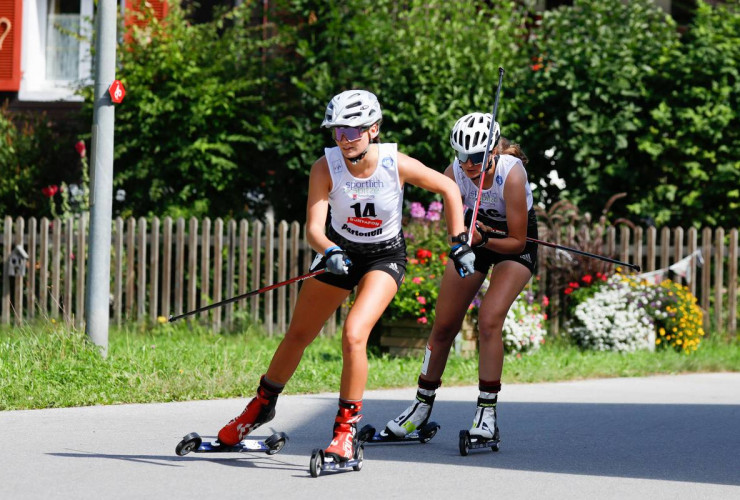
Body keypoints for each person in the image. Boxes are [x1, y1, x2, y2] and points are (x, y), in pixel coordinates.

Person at [216, 90, 476, 462]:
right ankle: (261, 406)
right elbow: (314, 230)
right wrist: (330, 251)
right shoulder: (326, 167)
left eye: (352, 132)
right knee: (298, 335)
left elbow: (450, 188)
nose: (344, 140)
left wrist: (459, 242)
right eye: (337, 132)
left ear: (374, 129)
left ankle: (345, 430)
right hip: (339, 252)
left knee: (355, 334)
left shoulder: (394, 162)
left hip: (384, 257)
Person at [384, 111, 537, 442]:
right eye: (463, 156)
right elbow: (453, 229)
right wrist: (464, 239)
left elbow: (517, 241)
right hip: (475, 237)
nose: (469, 164)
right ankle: (420, 409)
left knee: (489, 321)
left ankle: (487, 414)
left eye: (478, 157)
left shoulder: (512, 175)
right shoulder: (452, 173)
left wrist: (482, 238)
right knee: (443, 326)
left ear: (494, 150)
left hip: (513, 243)